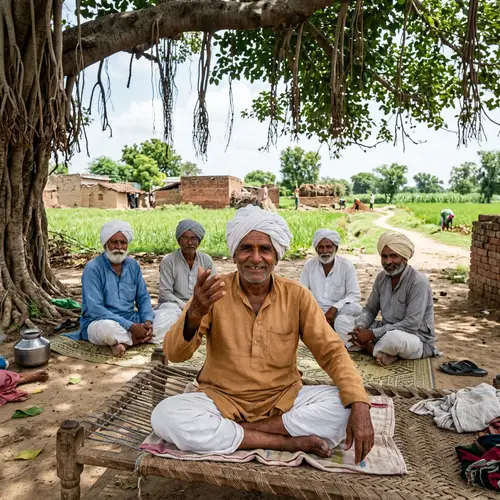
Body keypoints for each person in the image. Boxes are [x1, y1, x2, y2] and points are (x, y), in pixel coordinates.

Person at [151, 205, 374, 463]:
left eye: (265, 249)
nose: (255, 258)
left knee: (343, 407)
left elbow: (332, 352)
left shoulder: (297, 295)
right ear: (235, 254)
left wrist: (359, 403)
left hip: (283, 400)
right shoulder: (213, 292)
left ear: (276, 256)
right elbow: (175, 354)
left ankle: (241, 435)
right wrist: (194, 314)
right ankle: (283, 441)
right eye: (246, 248)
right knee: (165, 416)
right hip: (222, 400)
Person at [348, 231, 437, 366]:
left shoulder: (418, 282)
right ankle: (382, 352)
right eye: (384, 256)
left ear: (404, 257)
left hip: (415, 337)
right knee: (344, 321)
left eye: (393, 256)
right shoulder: (381, 278)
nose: (388, 262)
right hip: (384, 329)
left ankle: (370, 347)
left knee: (393, 338)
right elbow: (370, 309)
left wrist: (372, 334)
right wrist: (360, 327)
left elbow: (411, 324)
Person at [77, 220, 154, 356]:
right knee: (107, 330)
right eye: (114, 242)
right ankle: (137, 339)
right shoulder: (93, 268)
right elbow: (95, 309)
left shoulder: (133, 266)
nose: (119, 247)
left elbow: (143, 298)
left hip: (132, 320)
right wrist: (131, 327)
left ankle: (126, 342)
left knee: (167, 316)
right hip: (99, 321)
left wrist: (147, 322)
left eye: (123, 243)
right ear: (106, 243)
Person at [153, 220, 216, 343]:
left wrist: (199, 305)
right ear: (178, 240)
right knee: (168, 315)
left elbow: (213, 287)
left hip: (200, 305)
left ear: (199, 242)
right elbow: (165, 293)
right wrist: (186, 307)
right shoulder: (168, 261)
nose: (190, 242)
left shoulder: (206, 260)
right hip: (174, 306)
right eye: (185, 238)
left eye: (194, 238)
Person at [300, 229, 362, 346]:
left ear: (336, 248)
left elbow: (354, 295)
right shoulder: (309, 265)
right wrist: (316, 312)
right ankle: (332, 331)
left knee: (356, 308)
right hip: (316, 312)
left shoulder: (346, 266)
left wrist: (334, 308)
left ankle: (329, 330)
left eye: (328, 247)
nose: (325, 251)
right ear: (316, 249)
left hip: (339, 312)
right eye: (321, 247)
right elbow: (302, 293)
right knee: (296, 311)